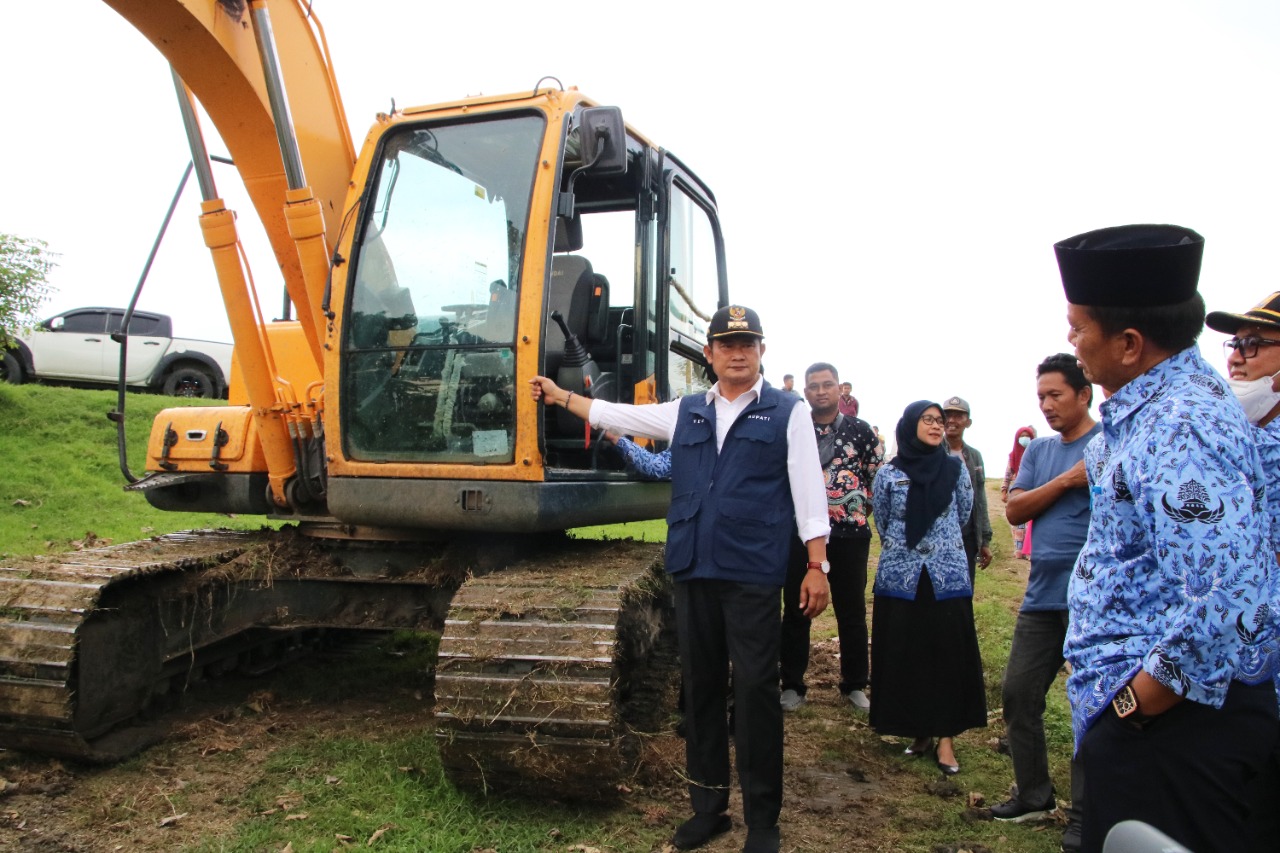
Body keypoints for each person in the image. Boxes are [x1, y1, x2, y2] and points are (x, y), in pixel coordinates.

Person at [530, 304, 830, 853]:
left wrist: (816, 565)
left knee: (759, 692)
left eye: (748, 343)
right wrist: (560, 395)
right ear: (710, 354)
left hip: (752, 573)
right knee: (702, 692)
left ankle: (763, 822)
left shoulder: (788, 412)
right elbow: (618, 415)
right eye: (727, 344)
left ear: (762, 351)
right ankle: (708, 809)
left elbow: (810, 493)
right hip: (694, 569)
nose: (738, 353)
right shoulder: (686, 410)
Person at [1056, 224, 1279, 853]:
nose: (1072, 343)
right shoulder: (1157, 409)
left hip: (1174, 731)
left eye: (1078, 328)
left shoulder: (1180, 425)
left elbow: (1224, 597)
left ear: (1129, 343)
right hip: (1160, 723)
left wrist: (1130, 709)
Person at [989, 354, 1099, 853]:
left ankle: (1085, 814)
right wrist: (1065, 482)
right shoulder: (1042, 450)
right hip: (1042, 593)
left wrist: (1064, 485)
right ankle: (1034, 793)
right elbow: (1014, 506)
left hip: (1096, 599)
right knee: (1018, 692)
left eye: (1056, 395)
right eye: (1041, 398)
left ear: (1084, 394)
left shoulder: (1110, 445)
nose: (1048, 406)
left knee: (1089, 706)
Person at [869, 400, 987, 775]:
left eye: (940, 421)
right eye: (928, 420)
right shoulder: (889, 474)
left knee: (947, 654)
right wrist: (908, 549)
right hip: (900, 576)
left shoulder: (955, 469)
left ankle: (946, 739)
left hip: (946, 576)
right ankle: (918, 732)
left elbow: (964, 512)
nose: (937, 426)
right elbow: (884, 523)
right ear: (909, 426)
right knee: (908, 653)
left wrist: (937, 544)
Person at [1204, 291, 1280, 853]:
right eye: (1235, 343)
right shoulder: (1238, 436)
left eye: (1256, 345)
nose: (1238, 356)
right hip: (1237, 674)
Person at [780, 362, 883, 712]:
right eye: (814, 386)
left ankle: (855, 684)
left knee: (851, 610)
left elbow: (875, 477)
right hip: (801, 537)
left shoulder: (862, 431)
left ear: (841, 389)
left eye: (828, 384)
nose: (821, 391)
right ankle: (792, 684)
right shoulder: (794, 429)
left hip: (850, 536)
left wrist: (854, 509)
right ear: (804, 392)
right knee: (796, 609)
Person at [941, 396, 993, 580]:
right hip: (939, 537)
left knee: (964, 589)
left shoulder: (975, 456)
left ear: (968, 422)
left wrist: (984, 541)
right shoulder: (931, 452)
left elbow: (980, 499)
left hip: (967, 535)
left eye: (958, 416)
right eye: (947, 415)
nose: (952, 420)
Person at [1000, 425, 1037, 558]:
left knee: (1030, 522)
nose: (1024, 439)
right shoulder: (1013, 456)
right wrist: (1004, 490)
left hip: (1032, 490)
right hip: (1016, 490)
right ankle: (1019, 550)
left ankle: (1029, 550)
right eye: (1022, 436)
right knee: (1017, 523)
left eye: (1027, 436)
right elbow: (1008, 474)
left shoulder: (1036, 453)